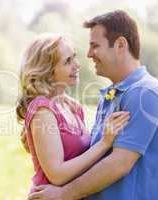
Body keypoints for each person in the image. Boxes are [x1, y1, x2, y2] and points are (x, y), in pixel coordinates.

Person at [28, 10, 158, 200]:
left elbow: (118, 164)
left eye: (95, 46)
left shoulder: (144, 93)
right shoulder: (112, 95)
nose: (88, 55)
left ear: (120, 45)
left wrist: (64, 194)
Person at [16, 33, 130, 194]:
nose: (77, 65)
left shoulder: (72, 107)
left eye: (74, 58)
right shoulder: (43, 111)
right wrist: (104, 143)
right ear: (47, 71)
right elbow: (57, 175)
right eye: (67, 61)